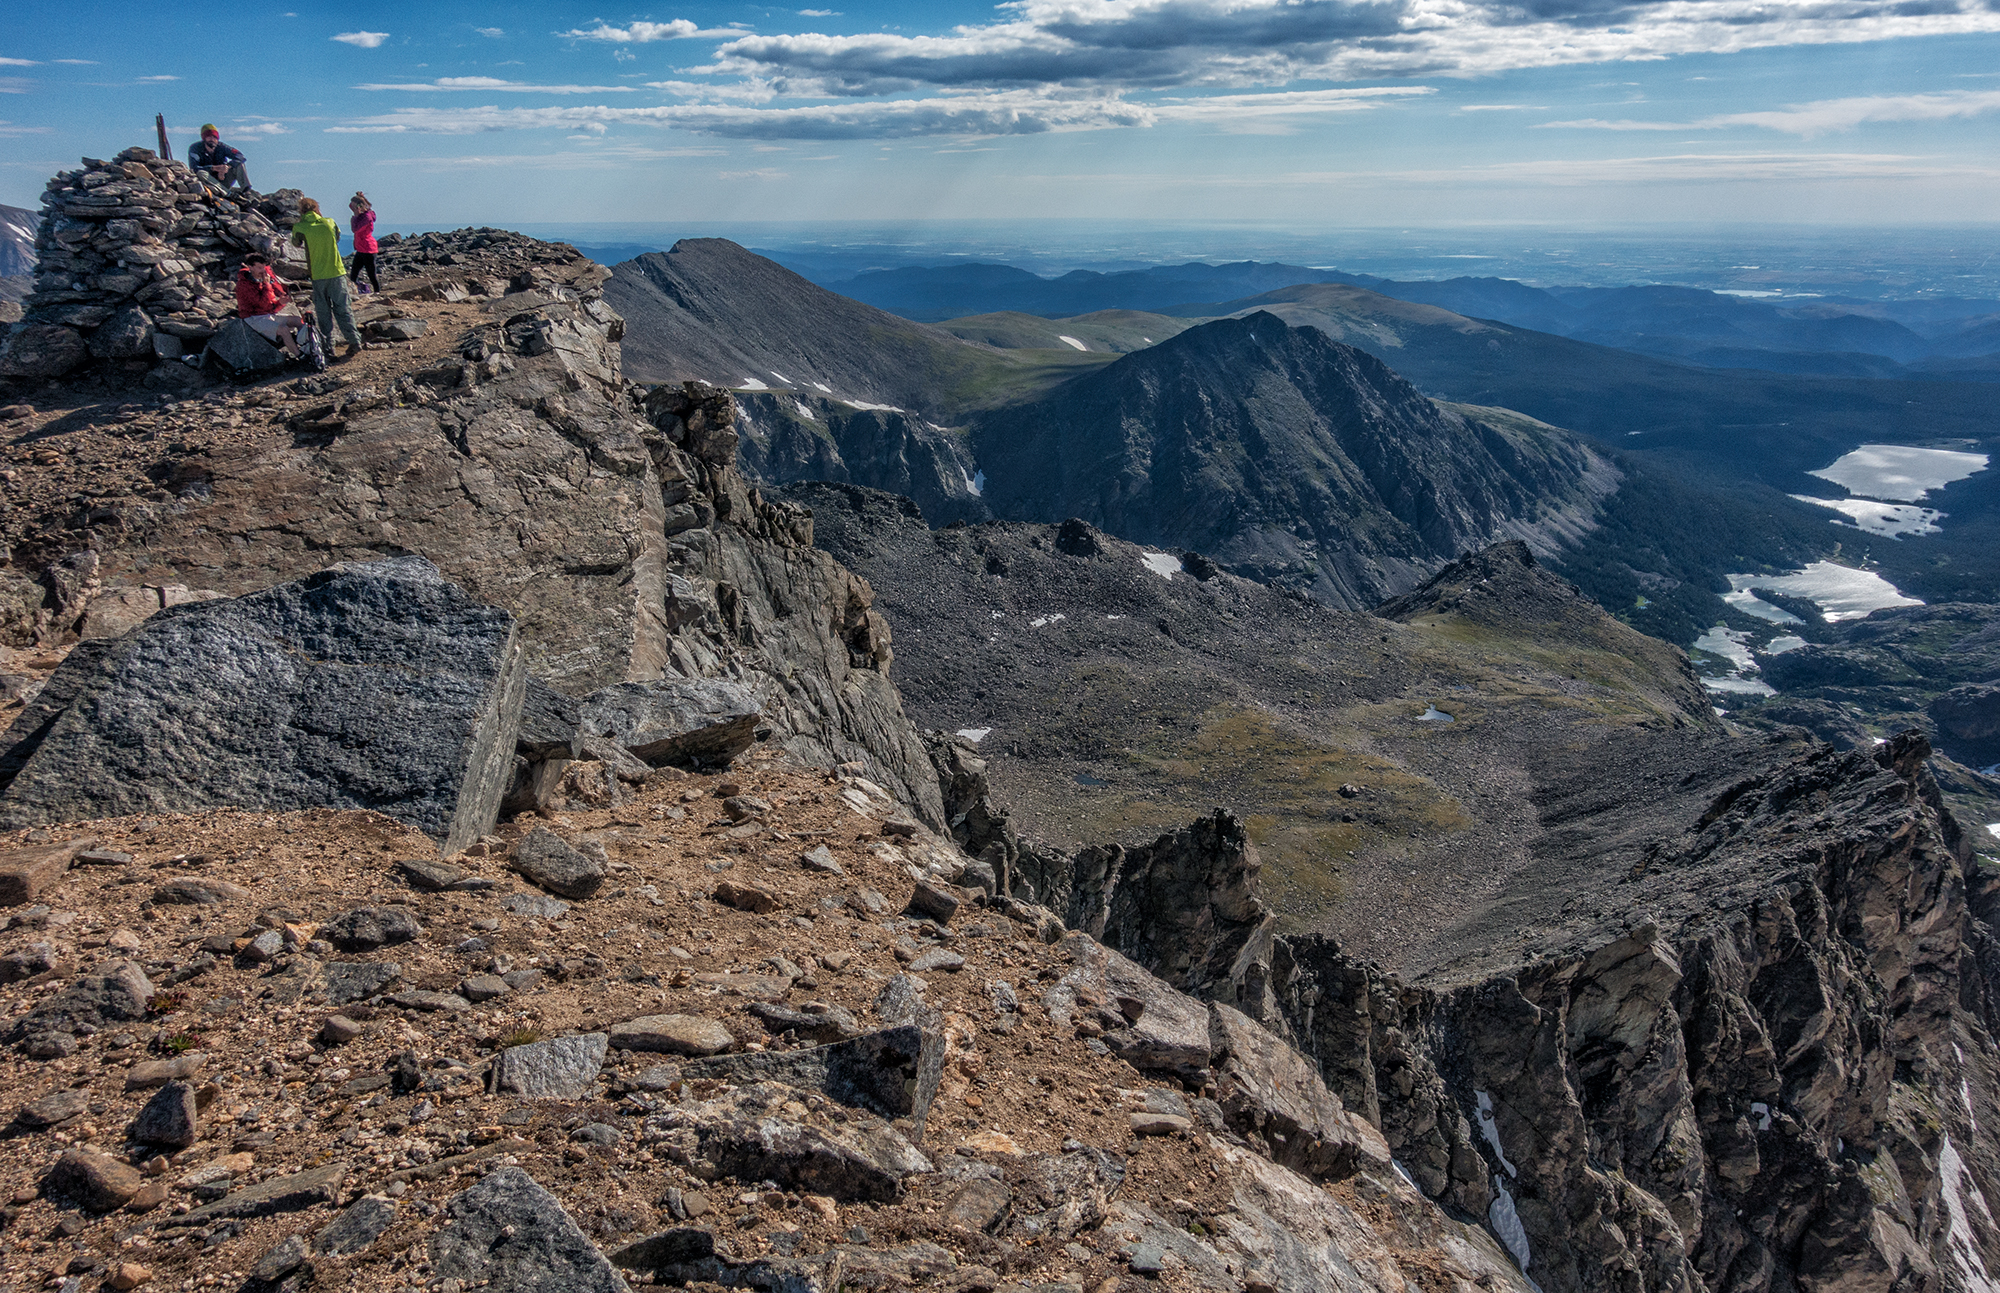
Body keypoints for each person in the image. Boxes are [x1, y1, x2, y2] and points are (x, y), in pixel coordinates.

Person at [289, 197, 363, 360]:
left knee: (323, 312)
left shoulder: (300, 227)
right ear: (317, 208)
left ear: (301, 211)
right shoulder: (329, 222)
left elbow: (295, 243)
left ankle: (329, 348)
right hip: (336, 271)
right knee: (343, 308)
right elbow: (336, 238)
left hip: (318, 274)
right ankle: (354, 340)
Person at [233, 252, 306, 359]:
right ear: (250, 267)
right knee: (283, 329)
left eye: (263, 267)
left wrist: (281, 302)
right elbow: (262, 305)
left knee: (298, 320)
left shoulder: (263, 278)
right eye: (259, 268)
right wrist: (267, 285)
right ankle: (299, 355)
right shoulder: (244, 285)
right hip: (253, 318)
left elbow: (270, 307)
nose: (262, 271)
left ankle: (307, 347)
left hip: (266, 314)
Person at [188, 125, 251, 191]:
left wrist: (227, 167)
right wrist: (214, 168)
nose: (212, 139)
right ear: (204, 138)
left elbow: (240, 156)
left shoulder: (222, 147)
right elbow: (194, 168)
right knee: (201, 173)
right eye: (209, 137)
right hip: (208, 183)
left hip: (223, 179)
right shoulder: (195, 148)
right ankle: (227, 193)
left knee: (239, 164)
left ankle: (246, 191)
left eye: (214, 137)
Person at [348, 193, 380, 295]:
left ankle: (377, 292)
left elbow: (355, 229)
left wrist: (356, 216)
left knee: (371, 274)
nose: (352, 208)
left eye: (355, 206)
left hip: (368, 248)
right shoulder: (364, 215)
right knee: (354, 273)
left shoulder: (366, 217)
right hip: (361, 248)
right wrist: (360, 199)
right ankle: (353, 292)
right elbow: (351, 205)